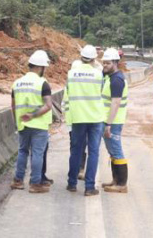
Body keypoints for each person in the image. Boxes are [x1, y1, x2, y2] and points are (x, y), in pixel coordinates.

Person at [64, 44, 105, 196]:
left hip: (78, 117)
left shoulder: (71, 74)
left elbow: (68, 93)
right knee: (93, 152)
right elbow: (101, 92)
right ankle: (89, 187)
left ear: (81, 57)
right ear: (94, 58)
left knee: (76, 151)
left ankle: (72, 183)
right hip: (95, 118)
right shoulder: (98, 74)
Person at [10, 50, 54, 193]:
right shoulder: (43, 83)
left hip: (22, 124)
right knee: (37, 153)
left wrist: (16, 121)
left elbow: (13, 106)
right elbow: (48, 105)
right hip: (38, 125)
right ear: (40, 67)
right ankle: (35, 184)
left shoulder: (17, 83)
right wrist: (33, 115)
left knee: (22, 151)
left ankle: (18, 181)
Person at [100, 48, 129, 193]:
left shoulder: (116, 80)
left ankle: (121, 184)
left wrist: (108, 124)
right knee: (112, 150)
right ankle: (115, 180)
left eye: (107, 63)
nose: (104, 65)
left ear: (115, 63)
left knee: (116, 150)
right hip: (110, 120)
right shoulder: (110, 77)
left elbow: (115, 103)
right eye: (103, 62)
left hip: (113, 121)